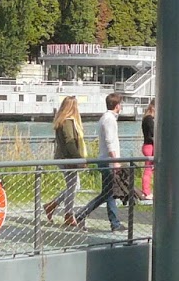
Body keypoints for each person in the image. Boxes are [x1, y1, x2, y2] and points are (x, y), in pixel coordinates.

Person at [77, 92, 125, 232]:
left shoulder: (105, 118)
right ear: (117, 106)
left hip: (104, 160)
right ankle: (81, 215)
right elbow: (110, 141)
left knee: (108, 194)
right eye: (120, 104)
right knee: (107, 194)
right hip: (108, 161)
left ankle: (114, 223)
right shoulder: (110, 119)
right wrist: (115, 161)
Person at [49, 95, 86, 227]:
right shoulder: (68, 122)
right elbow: (70, 142)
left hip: (62, 157)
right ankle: (68, 214)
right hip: (68, 159)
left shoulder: (61, 121)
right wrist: (79, 158)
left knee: (74, 186)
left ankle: (53, 205)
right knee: (73, 186)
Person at [140, 98, 156, 202]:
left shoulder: (146, 118)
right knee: (149, 169)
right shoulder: (149, 119)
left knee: (149, 168)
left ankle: (146, 191)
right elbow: (153, 134)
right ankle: (146, 191)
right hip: (150, 146)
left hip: (147, 145)